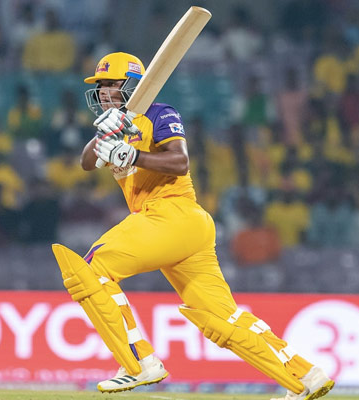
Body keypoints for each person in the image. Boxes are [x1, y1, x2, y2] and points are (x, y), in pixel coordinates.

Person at [52, 52, 334, 400]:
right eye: (100, 86)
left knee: (91, 270)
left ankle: (139, 363)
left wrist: (132, 154)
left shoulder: (159, 113)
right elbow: (85, 163)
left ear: (134, 85)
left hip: (172, 213)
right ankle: (305, 376)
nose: (103, 92)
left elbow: (181, 161)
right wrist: (104, 135)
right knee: (220, 318)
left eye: (111, 84)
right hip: (180, 228)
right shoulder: (115, 126)